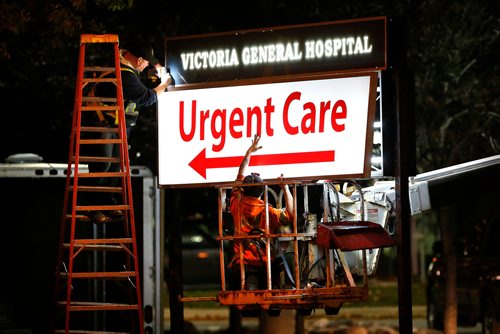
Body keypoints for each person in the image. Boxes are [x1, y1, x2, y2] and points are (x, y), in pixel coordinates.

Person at [84, 38, 173, 224]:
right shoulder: (124, 74)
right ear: (139, 60)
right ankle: (93, 207)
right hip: (104, 123)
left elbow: (144, 80)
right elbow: (147, 98)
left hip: (117, 124)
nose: (149, 65)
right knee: (103, 166)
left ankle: (107, 203)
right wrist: (165, 85)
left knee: (115, 167)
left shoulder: (126, 66)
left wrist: (154, 72)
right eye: (147, 62)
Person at [228, 134, 295, 290]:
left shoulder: (235, 202)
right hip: (266, 262)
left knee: (251, 286)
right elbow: (290, 215)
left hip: (243, 262)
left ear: (242, 189)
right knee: (273, 284)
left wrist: (249, 152)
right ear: (261, 192)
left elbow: (240, 172)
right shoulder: (268, 211)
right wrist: (285, 188)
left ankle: (251, 285)